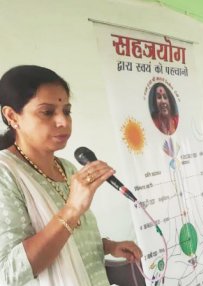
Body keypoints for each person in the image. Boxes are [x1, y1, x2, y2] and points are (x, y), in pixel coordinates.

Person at [0, 65, 142, 285]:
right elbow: (8, 273)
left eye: (66, 111)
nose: (63, 122)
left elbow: (70, 237)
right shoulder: (5, 173)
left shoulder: (67, 168)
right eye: (47, 112)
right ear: (12, 116)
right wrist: (72, 209)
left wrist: (108, 246)